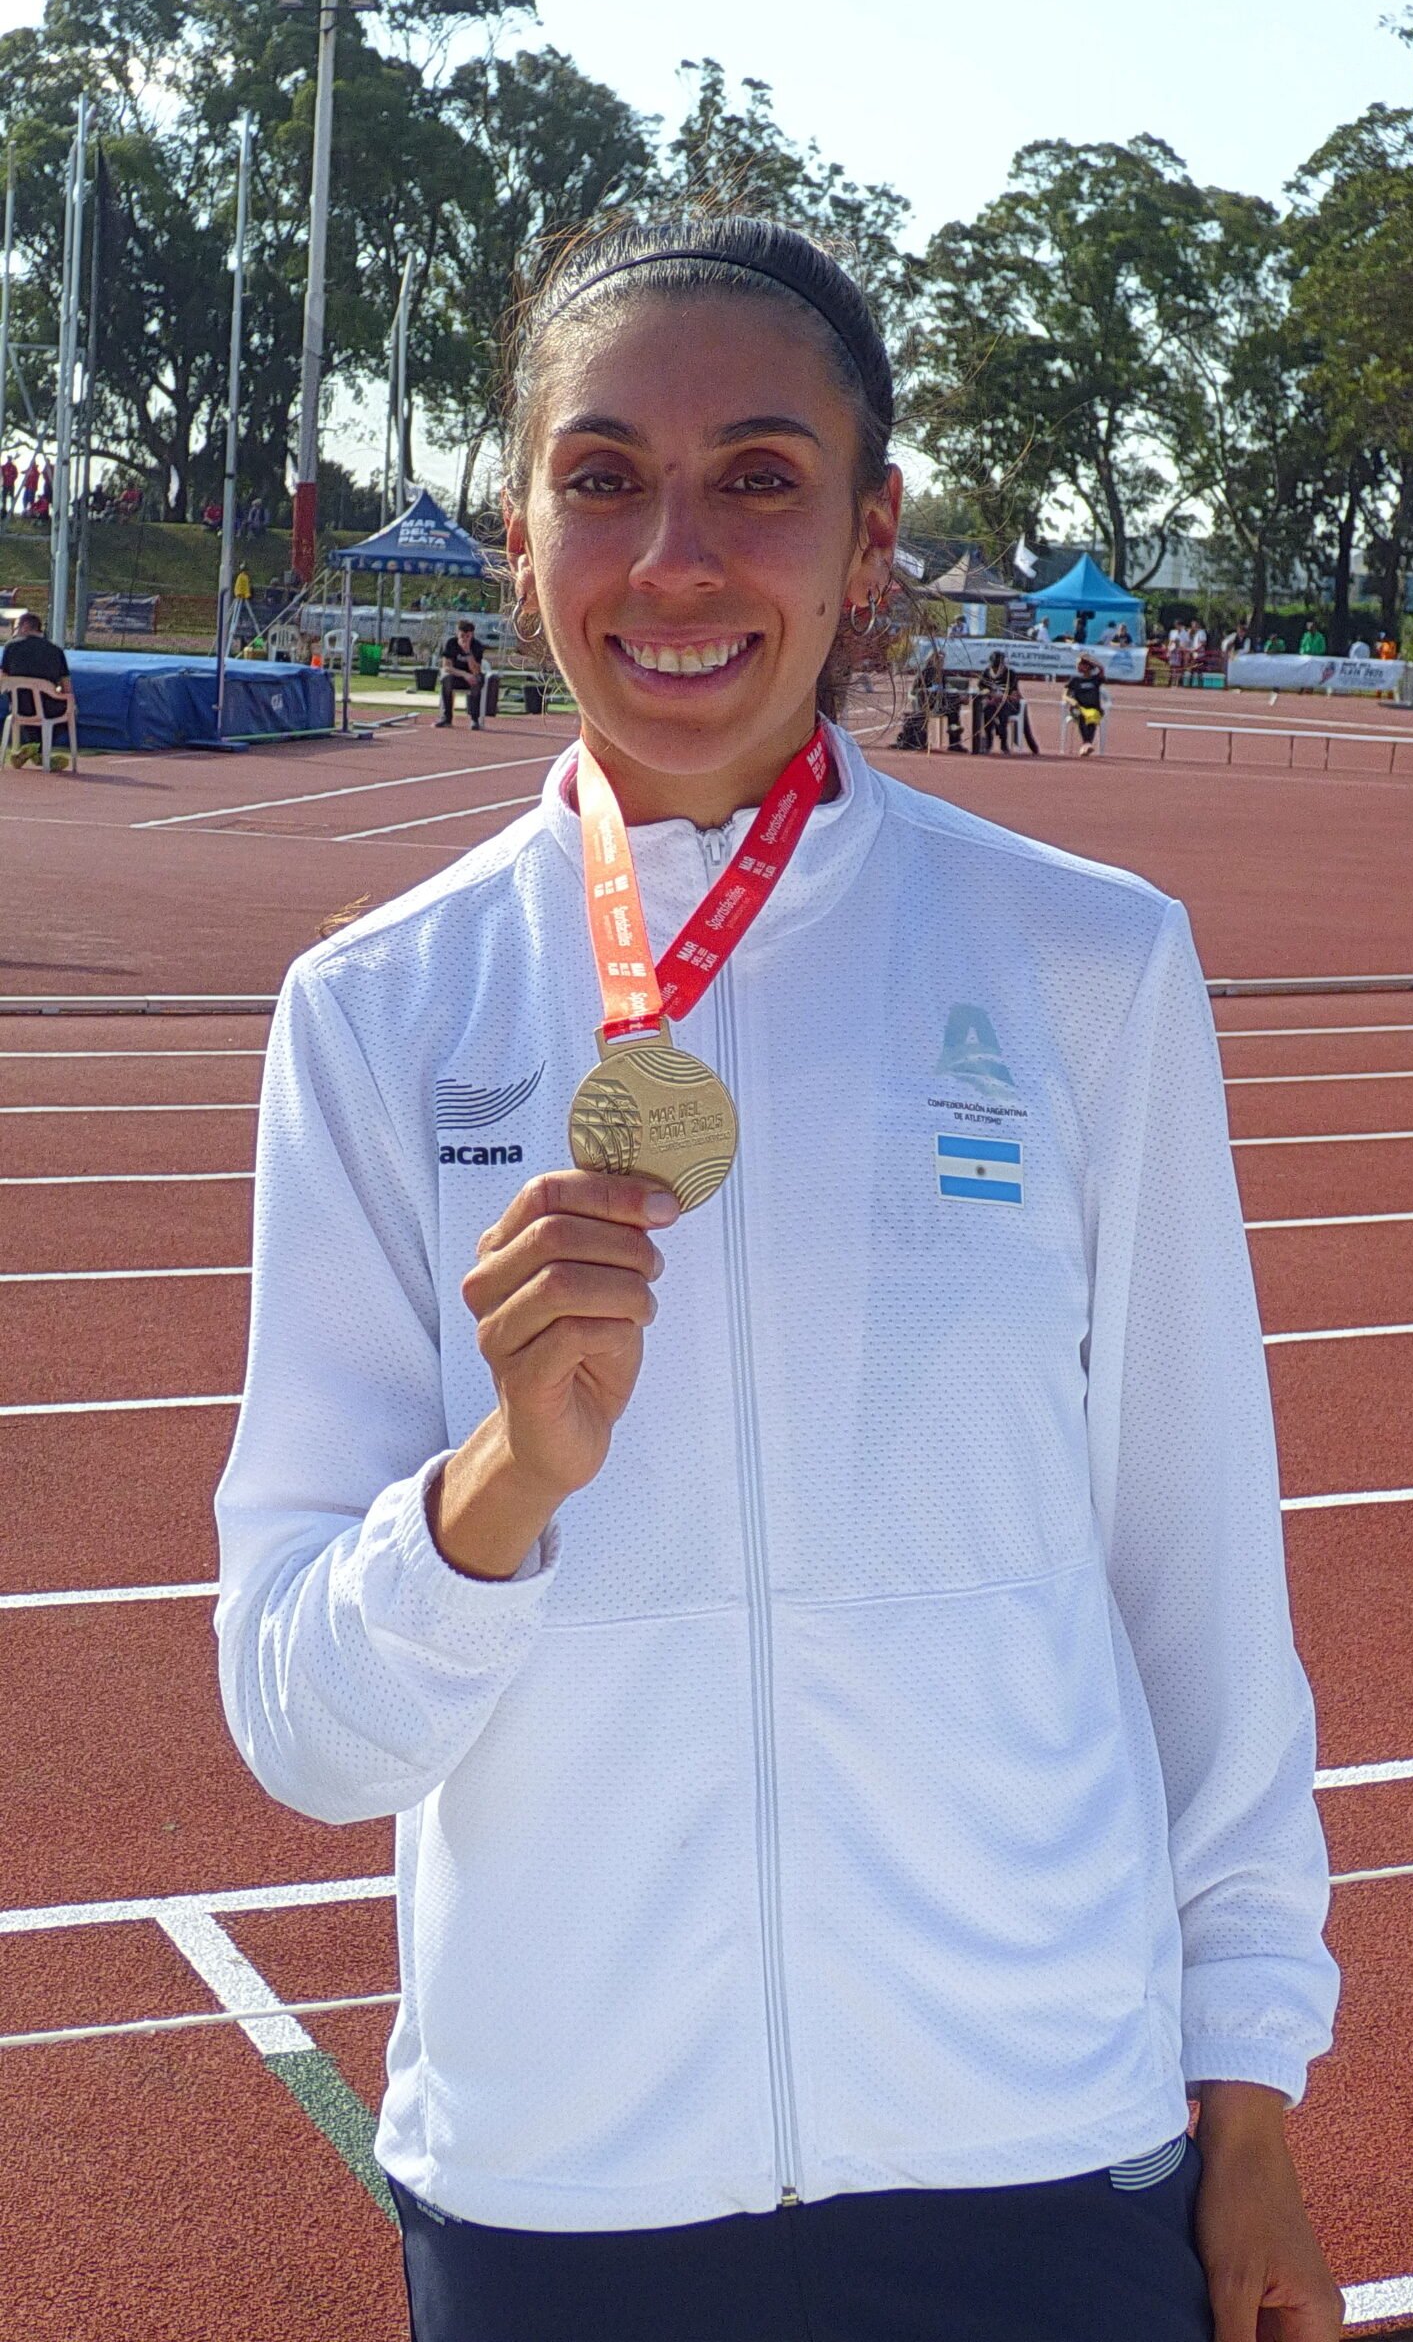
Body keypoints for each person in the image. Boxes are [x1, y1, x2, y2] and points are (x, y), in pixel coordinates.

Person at [215, 213, 1342, 2342]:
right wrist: (495, 1495)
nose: (676, 556)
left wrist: (1250, 2097)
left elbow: (1198, 1580)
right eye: (604, 475)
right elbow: (299, 1719)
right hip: (568, 2180)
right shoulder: (379, 1011)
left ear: (868, 532)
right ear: (523, 518)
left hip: (1034, 2143)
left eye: (758, 474)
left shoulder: (1085, 964)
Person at [1, 609, 73, 768]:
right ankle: (38, 750)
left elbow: (3, 679)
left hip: (19, 706)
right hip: (48, 707)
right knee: (70, 710)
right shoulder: (55, 651)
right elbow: (67, 687)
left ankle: (33, 748)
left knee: (25, 702)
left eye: (16, 627)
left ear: (25, 627)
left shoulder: (10, 648)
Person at [437, 617, 488, 728]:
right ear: (457, 633)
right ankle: (447, 718)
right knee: (446, 679)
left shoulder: (477, 646)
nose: (464, 638)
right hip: (456, 676)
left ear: (472, 635)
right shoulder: (451, 643)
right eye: (462, 636)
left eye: (468, 636)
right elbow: (447, 667)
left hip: (472, 678)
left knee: (477, 681)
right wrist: (464, 674)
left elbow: (476, 670)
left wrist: (468, 652)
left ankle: (474, 719)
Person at [1065, 650, 1108, 755]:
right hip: (1078, 708)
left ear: (1087, 666)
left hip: (1093, 709)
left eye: (1080, 664)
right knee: (1081, 715)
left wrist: (1092, 661)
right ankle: (1087, 744)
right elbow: (1065, 695)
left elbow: (1102, 669)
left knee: (1092, 716)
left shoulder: (1095, 679)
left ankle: (1086, 744)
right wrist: (1071, 700)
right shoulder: (1074, 680)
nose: (1078, 666)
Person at [0, 453, 15, 518]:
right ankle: (4, 511)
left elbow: (16, 475)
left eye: (10, 459)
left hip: (11, 485)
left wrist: (11, 478)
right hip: (5, 485)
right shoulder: (3, 467)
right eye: (8, 459)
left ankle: (11, 512)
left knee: (12, 498)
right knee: (4, 499)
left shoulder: (14, 467)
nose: (9, 460)